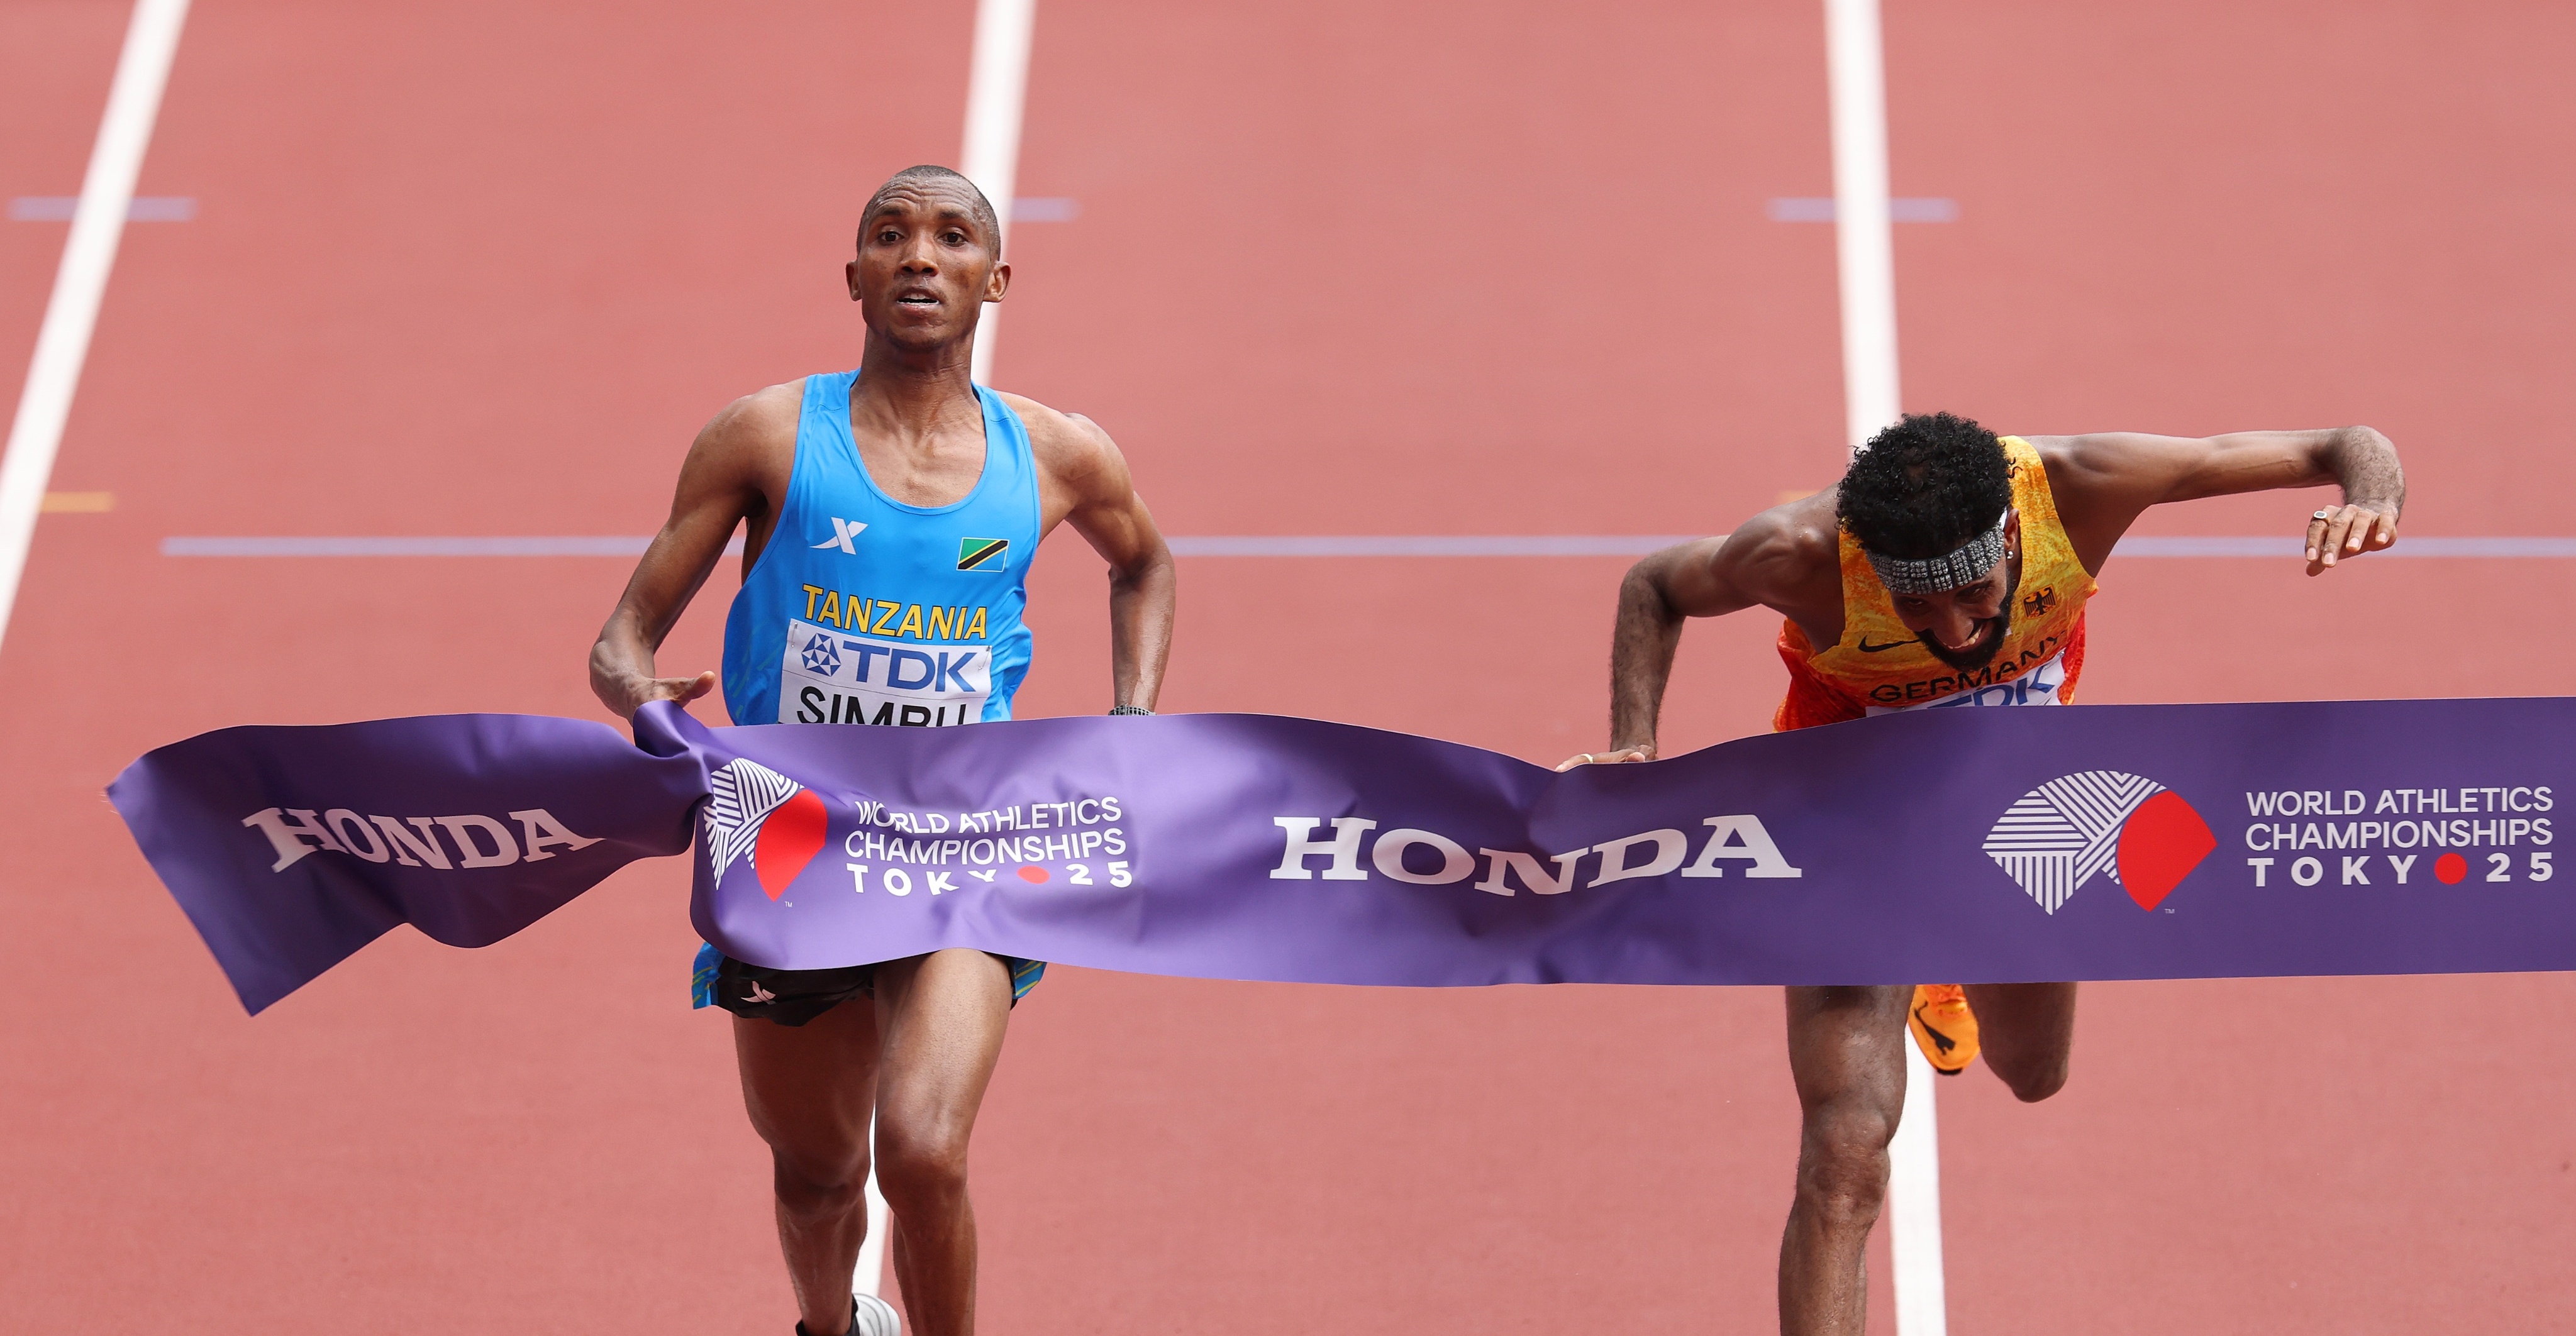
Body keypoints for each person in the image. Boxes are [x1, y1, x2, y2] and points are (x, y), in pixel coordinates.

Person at [1561, 412, 2401, 1334]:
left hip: (2022, 809)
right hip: (1852, 828)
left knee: (2034, 1071)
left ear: (2011, 539)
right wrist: (1630, 748)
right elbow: (1654, 584)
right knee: (1845, 1151)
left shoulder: (2084, 486)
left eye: (1976, 594)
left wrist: (2372, 494)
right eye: (1917, 610)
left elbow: (2341, 442)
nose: (1956, 631)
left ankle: (1943, 972)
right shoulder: (1796, 551)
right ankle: (1915, 958)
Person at [589, 165, 1176, 1336]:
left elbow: (1145, 563)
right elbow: (619, 639)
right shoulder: (765, 434)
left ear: (995, 279)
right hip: (788, 847)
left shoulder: (1059, 455)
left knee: (920, 1149)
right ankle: (832, 1326)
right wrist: (641, 692)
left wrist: (1134, 719)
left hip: (958, 844)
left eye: (954, 238)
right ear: (852, 274)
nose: (920, 256)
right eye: (891, 236)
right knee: (815, 1175)